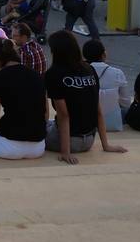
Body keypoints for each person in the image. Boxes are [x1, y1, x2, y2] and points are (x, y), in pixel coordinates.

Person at [42, 31, 126, 164]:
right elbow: (97, 109)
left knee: (36, 127)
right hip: (89, 140)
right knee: (52, 123)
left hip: (68, 141)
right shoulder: (89, 69)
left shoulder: (53, 74)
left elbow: (64, 115)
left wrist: (65, 152)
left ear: (56, 51)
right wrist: (106, 145)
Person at [83, 39, 131, 132]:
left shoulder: (78, 72)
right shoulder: (117, 73)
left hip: (85, 119)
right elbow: (126, 102)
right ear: (103, 55)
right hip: (111, 120)